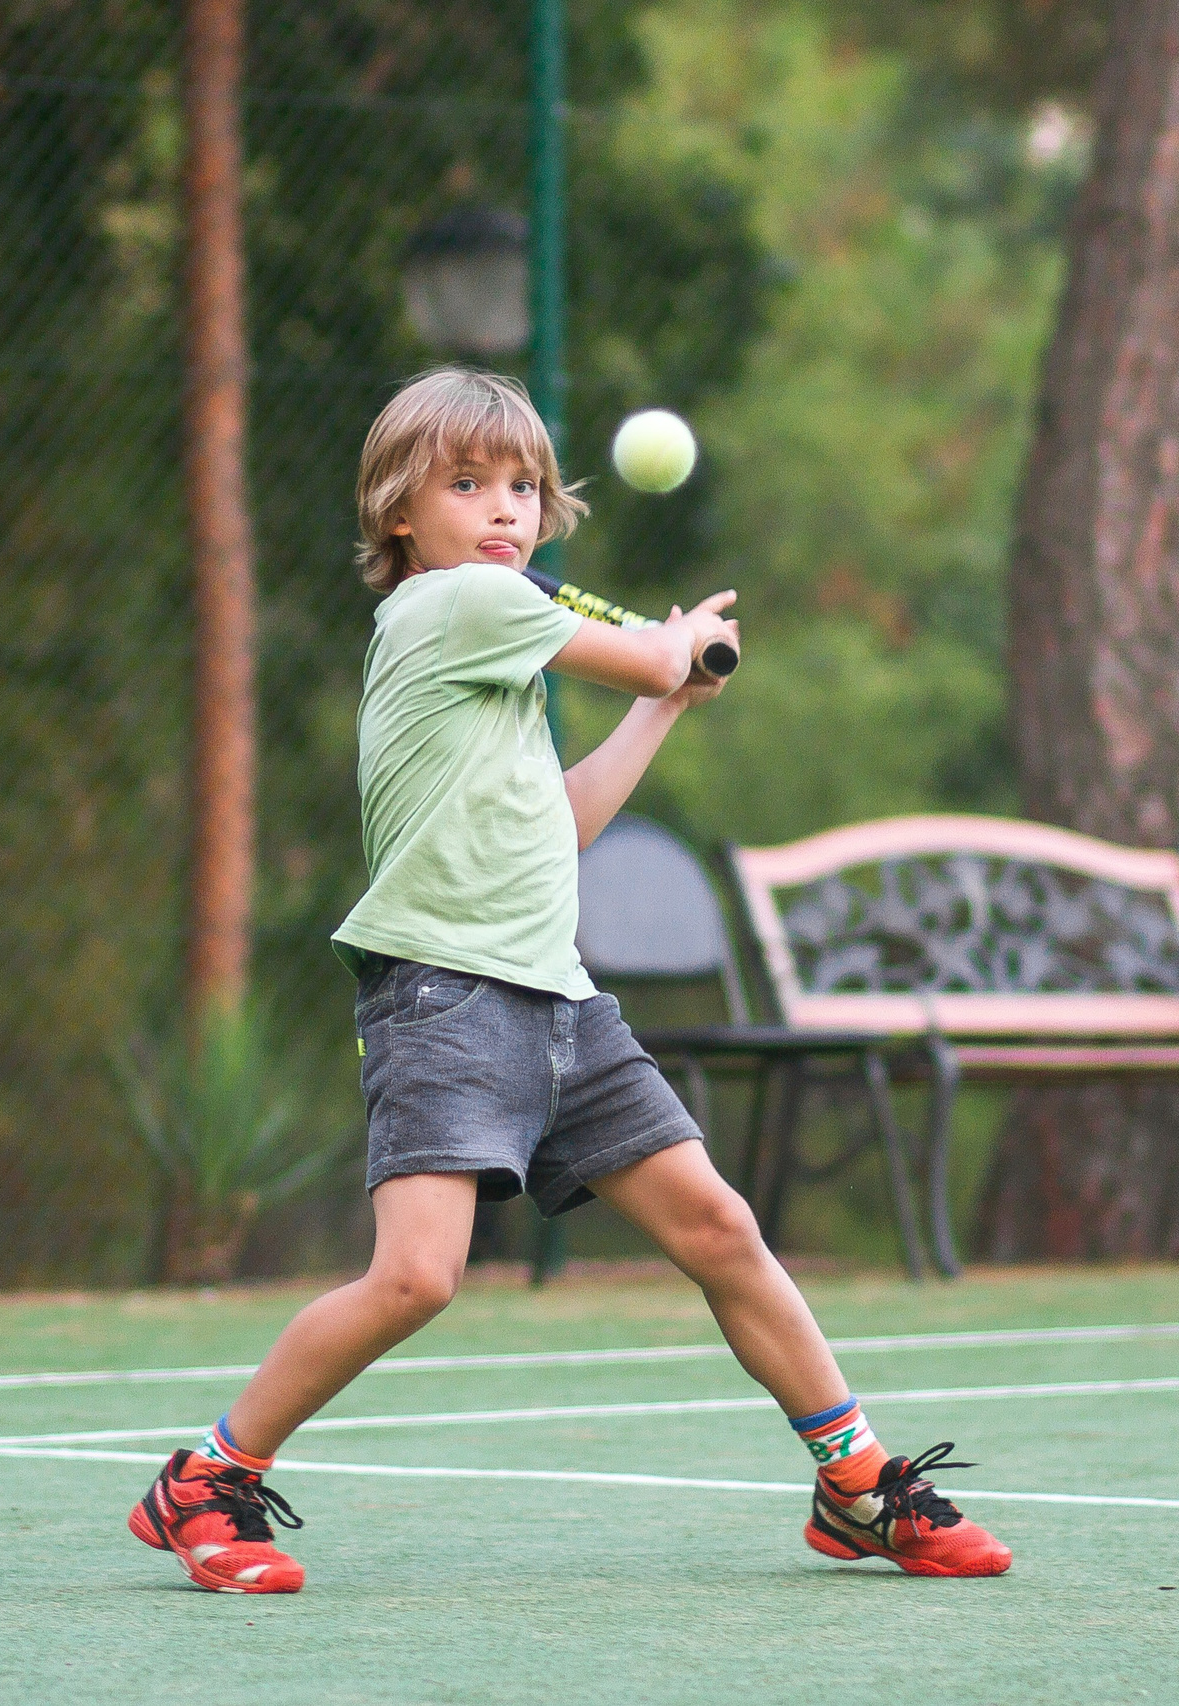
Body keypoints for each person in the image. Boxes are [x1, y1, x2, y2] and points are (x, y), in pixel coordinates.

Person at [128, 366, 1011, 1594]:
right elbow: (646, 660)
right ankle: (204, 1483)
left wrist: (670, 700)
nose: (503, 509)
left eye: (525, 487)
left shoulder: (499, 655)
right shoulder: (452, 612)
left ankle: (855, 1485)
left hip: (560, 1001)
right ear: (400, 514)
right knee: (416, 1276)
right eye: (467, 483)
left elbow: (565, 818)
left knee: (720, 1227)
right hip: (443, 996)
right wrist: (675, 647)